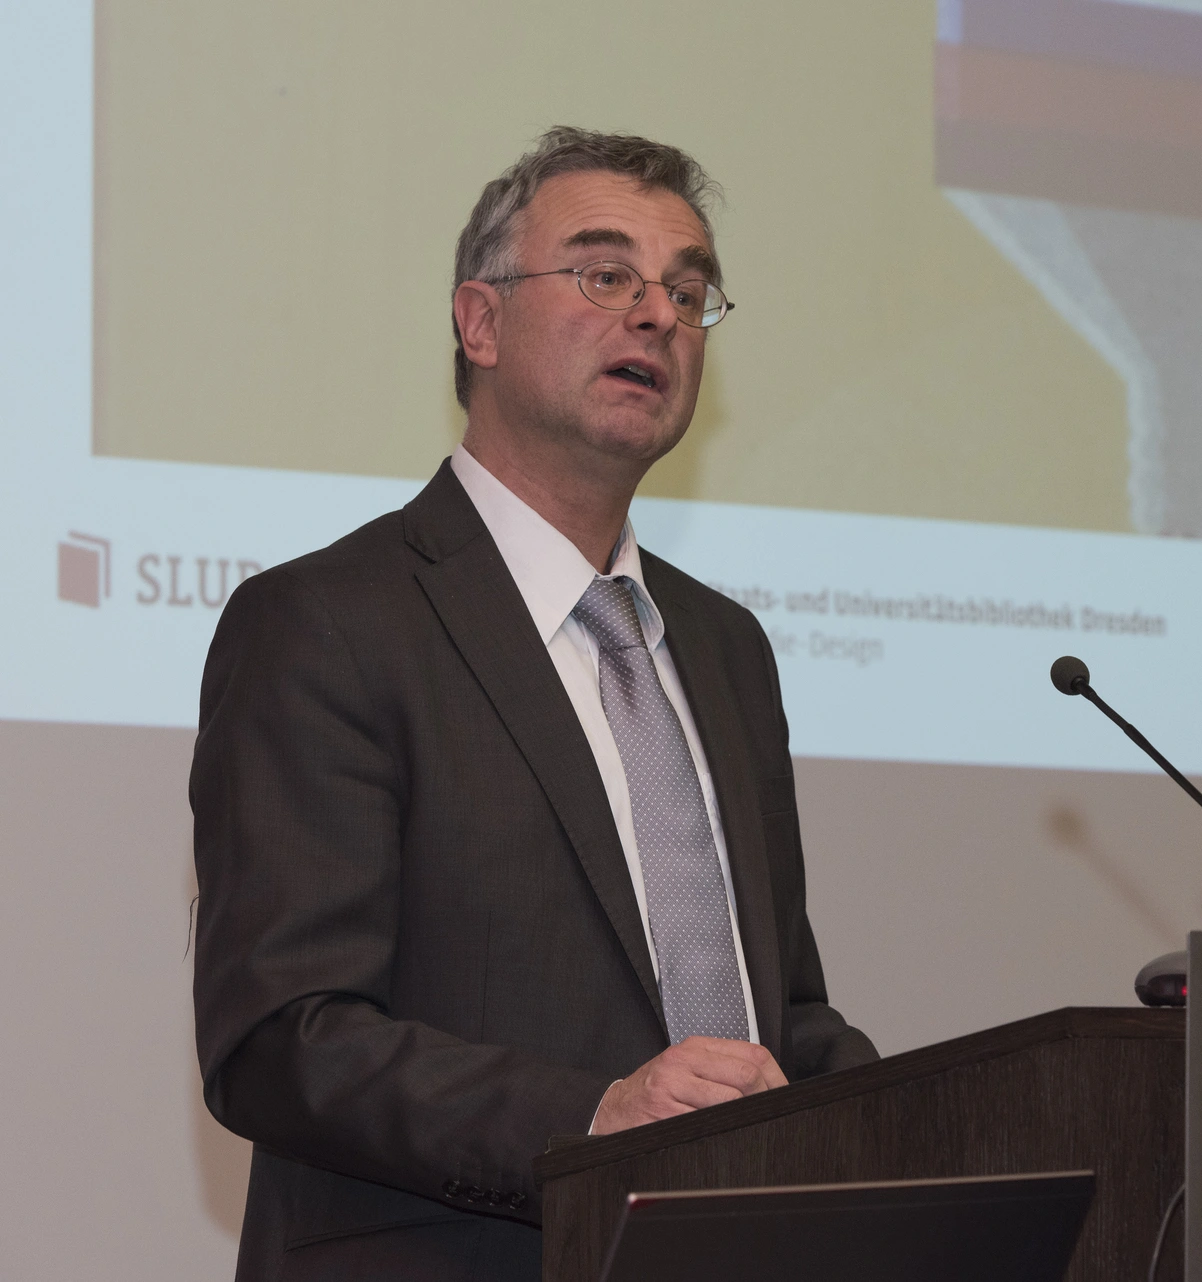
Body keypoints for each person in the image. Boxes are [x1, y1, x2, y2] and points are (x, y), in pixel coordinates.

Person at [191, 126, 877, 1281]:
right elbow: (281, 1037)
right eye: (607, 275)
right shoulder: (327, 624)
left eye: (688, 290)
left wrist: (931, 1116)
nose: (657, 315)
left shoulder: (727, 648)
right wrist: (591, 1119)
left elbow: (782, 1014)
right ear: (481, 322)